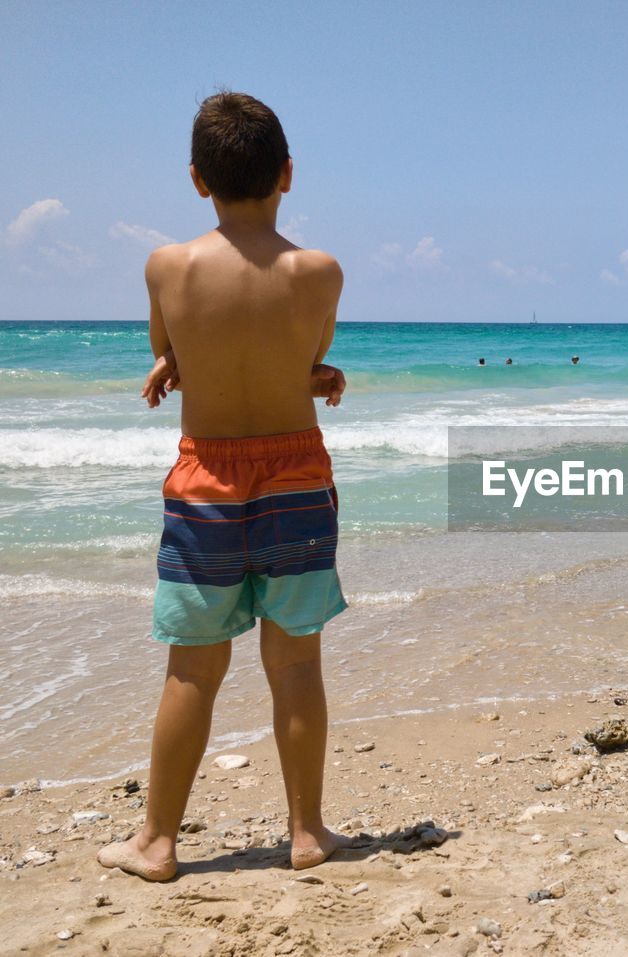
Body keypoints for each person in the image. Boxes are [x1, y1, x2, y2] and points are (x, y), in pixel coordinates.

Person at [97, 91, 352, 882]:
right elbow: (300, 357)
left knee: (192, 668)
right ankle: (306, 832)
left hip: (207, 477)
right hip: (297, 475)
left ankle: (157, 842)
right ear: (287, 174)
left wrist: (176, 360)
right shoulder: (319, 271)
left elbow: (170, 342)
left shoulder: (167, 265)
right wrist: (316, 378)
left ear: (197, 181)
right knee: (297, 663)